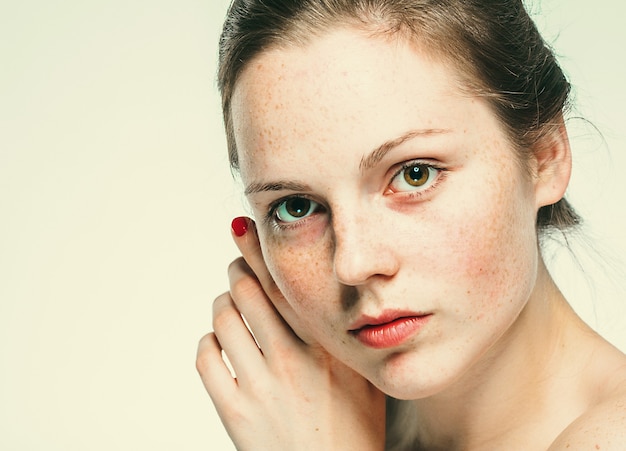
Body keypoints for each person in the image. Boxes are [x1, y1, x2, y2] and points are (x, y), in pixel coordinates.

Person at [196, 0, 626, 449]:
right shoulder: (307, 423)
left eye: (413, 174)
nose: (354, 264)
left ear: (544, 154)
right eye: (296, 207)